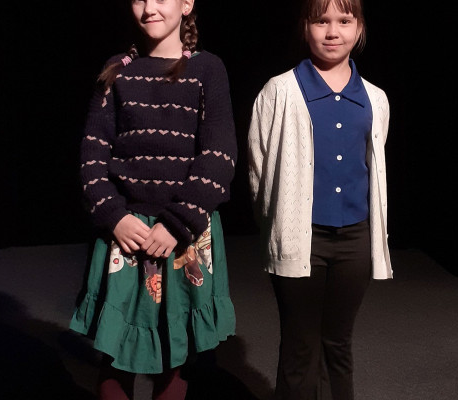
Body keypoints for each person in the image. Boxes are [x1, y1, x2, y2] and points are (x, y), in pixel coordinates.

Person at [69, 0, 237, 399]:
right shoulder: (116, 70)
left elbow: (219, 156)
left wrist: (178, 222)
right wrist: (114, 216)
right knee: (114, 351)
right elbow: (92, 155)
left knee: (175, 350)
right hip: (125, 232)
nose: (149, 9)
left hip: (183, 233)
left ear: (187, 4)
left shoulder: (207, 69)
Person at [247, 0, 392, 399]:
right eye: (321, 21)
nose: (332, 32)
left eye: (344, 20)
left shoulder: (375, 98)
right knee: (300, 343)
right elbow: (259, 168)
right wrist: (277, 225)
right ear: (305, 27)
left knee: (338, 344)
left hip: (355, 238)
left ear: (359, 28)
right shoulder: (279, 91)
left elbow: (373, 165)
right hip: (301, 237)